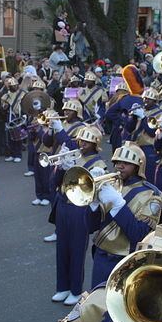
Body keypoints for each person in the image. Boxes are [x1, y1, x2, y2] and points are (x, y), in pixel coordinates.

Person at [87, 141, 162, 286]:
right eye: (117, 162)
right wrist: (93, 202)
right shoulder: (111, 186)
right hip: (101, 256)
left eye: (126, 163)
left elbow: (139, 235)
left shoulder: (151, 195)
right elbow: (90, 227)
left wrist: (118, 204)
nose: (120, 166)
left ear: (138, 166)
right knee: (96, 303)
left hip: (125, 261)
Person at [50, 126, 106, 305]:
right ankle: (62, 287)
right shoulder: (72, 155)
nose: (82, 144)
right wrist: (61, 168)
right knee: (62, 248)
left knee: (76, 250)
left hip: (80, 209)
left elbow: (96, 191)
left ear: (95, 144)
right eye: (81, 140)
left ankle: (75, 289)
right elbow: (54, 184)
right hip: (63, 206)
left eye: (87, 142)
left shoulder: (98, 164)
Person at [0, 77, 26, 162]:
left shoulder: (23, 94)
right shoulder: (6, 96)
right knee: (10, 137)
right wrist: (5, 106)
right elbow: (3, 108)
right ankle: (11, 154)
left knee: (18, 136)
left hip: (19, 116)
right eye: (12, 86)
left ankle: (18, 155)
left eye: (15, 85)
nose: (14, 87)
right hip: (10, 116)